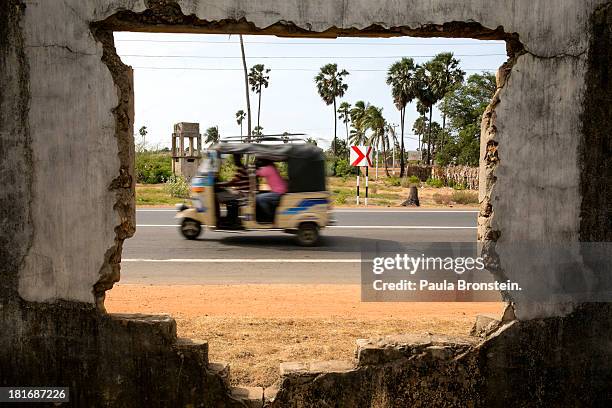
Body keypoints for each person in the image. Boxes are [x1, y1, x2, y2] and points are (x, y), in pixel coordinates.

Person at [216, 154, 249, 226]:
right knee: (226, 193)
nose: (235, 160)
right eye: (234, 158)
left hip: (243, 194)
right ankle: (229, 218)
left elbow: (232, 182)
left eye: (236, 158)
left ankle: (228, 220)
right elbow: (234, 182)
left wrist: (219, 184)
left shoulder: (241, 169)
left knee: (217, 197)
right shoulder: (241, 168)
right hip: (242, 192)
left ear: (240, 158)